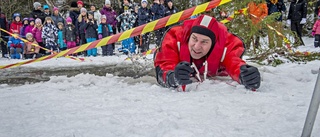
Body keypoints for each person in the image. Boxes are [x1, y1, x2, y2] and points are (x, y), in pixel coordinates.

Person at [154, 15, 261, 90]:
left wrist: (245, 76)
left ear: (213, 44)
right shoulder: (174, 39)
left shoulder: (226, 47)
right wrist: (172, 77)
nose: (197, 46)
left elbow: (235, 63)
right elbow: (165, 64)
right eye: (194, 39)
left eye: (204, 42)